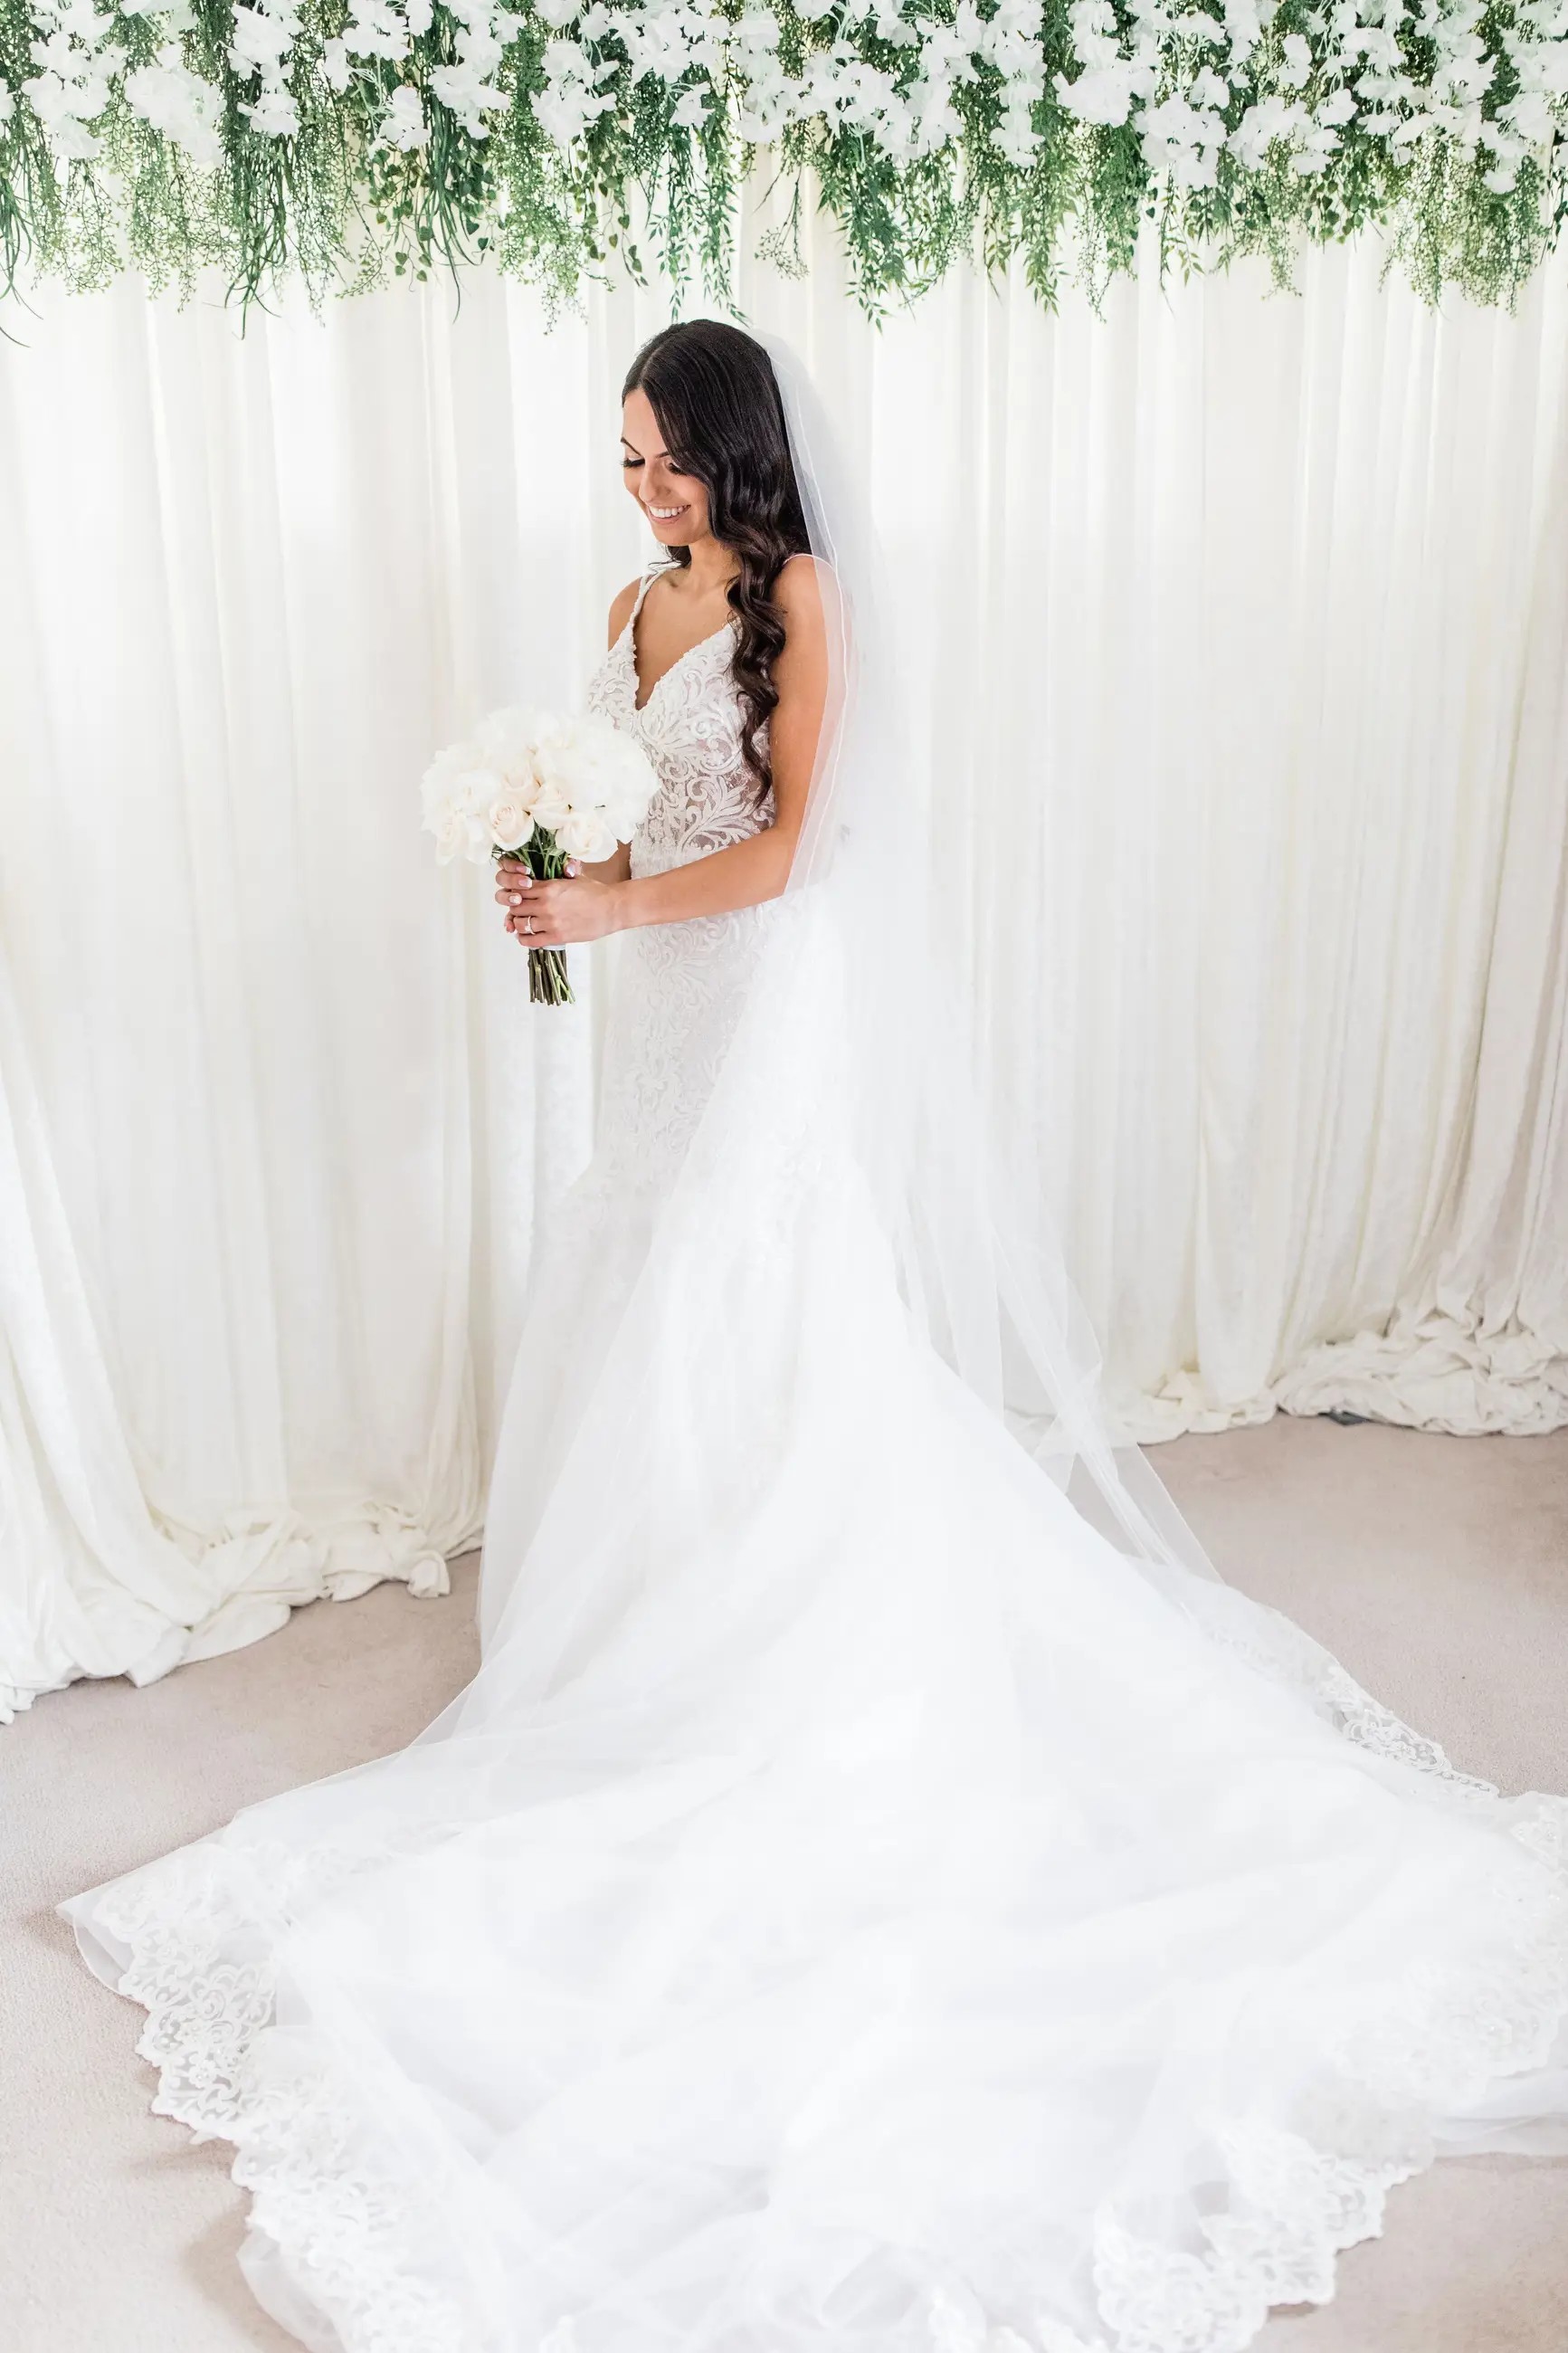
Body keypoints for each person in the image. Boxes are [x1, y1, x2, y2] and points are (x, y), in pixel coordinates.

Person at [63, 320, 1568, 2353]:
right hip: (652, 1024)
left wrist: (617, 913)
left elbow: (784, 853)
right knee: (632, 1274)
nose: (645, 494)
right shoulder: (627, 600)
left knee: (741, 1293)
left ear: (737, 449)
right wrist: (551, 875)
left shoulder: (806, 599)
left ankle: (762, 1623)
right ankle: (646, 1599)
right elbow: (629, 836)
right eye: (622, 464)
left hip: (758, 1013)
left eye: (668, 461)